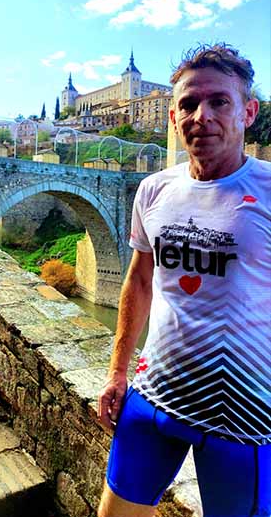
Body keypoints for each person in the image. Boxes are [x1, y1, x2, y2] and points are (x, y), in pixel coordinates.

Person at [97, 43, 271, 517]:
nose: (202, 116)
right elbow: (139, 281)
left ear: (248, 112)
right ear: (173, 117)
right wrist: (117, 372)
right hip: (154, 399)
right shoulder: (154, 189)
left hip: (245, 417)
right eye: (189, 104)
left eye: (219, 102)